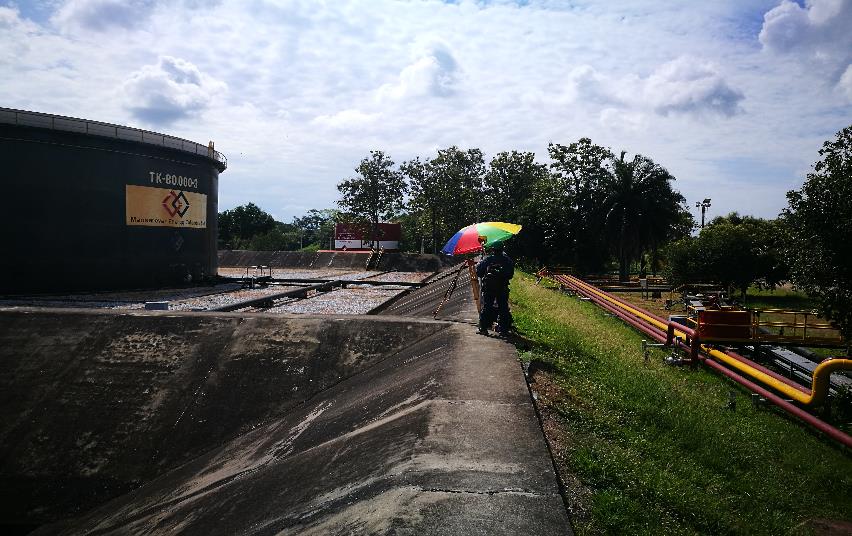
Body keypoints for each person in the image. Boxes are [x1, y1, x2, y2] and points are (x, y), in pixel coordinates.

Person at [476, 241, 514, 336]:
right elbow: (510, 275)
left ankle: (483, 328)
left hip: (489, 288)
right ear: (502, 249)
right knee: (503, 308)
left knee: (487, 307)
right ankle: (503, 330)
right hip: (502, 288)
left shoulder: (488, 259)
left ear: (493, 249)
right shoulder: (507, 260)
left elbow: (479, 272)